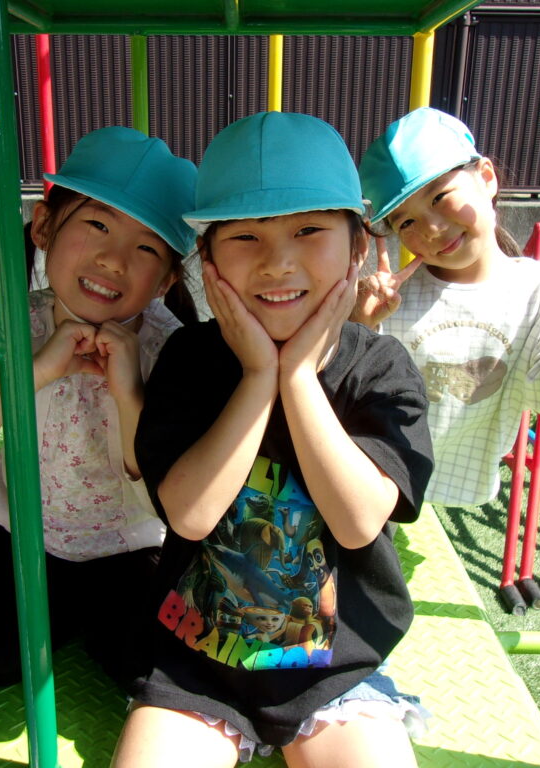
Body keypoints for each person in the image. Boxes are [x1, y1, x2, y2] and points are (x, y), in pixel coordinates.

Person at [111, 112, 434, 768]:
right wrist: (260, 376)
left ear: (358, 249)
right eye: (245, 236)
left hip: (337, 672)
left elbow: (356, 523)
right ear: (208, 260)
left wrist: (299, 378)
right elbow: (190, 513)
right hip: (194, 667)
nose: (278, 261)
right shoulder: (188, 359)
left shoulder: (380, 368)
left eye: (308, 230)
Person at [0, 126, 198, 689]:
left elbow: (176, 507)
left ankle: (93, 620)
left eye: (145, 248)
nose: (113, 259)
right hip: (22, 536)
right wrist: (34, 371)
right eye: (98, 225)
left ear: (166, 279)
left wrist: (130, 395)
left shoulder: (172, 349)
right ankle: (78, 617)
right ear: (44, 226)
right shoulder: (15, 327)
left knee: (151, 675)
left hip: (133, 547)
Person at [353, 107, 540, 507]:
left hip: (459, 487)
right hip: (375, 484)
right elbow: (349, 395)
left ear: (487, 177)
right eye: (406, 223)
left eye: (440, 197)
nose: (431, 229)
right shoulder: (391, 302)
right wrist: (359, 323)